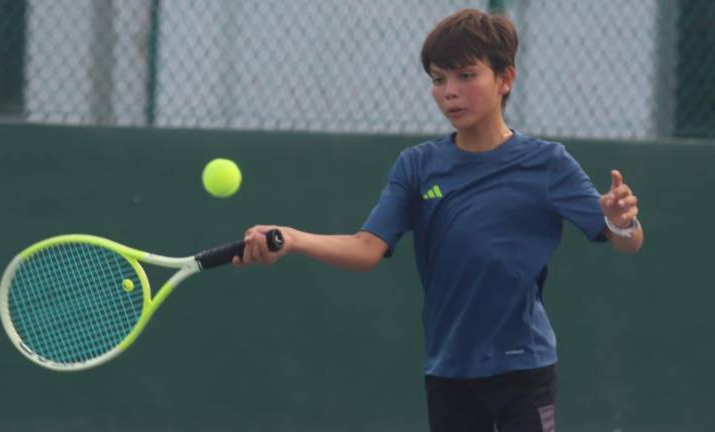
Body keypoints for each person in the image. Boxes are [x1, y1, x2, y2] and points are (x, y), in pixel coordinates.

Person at [234, 8, 643, 432]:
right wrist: (292, 238)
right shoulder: (417, 167)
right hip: (449, 370)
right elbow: (366, 249)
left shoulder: (547, 163)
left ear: (505, 79)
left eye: (466, 75)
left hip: (524, 368)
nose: (450, 92)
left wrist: (620, 221)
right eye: (438, 79)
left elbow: (627, 240)